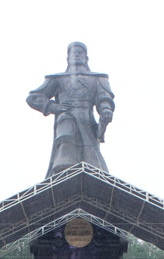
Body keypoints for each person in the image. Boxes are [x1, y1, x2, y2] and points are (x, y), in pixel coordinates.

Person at [26, 42, 115, 177]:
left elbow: (104, 98)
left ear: (86, 58)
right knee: (66, 149)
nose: (77, 55)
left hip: (87, 121)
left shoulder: (98, 78)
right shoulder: (58, 79)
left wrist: (106, 110)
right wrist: (54, 107)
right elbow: (33, 97)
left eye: (81, 53)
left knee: (92, 164)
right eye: (74, 53)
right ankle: (64, 180)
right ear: (68, 59)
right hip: (66, 118)